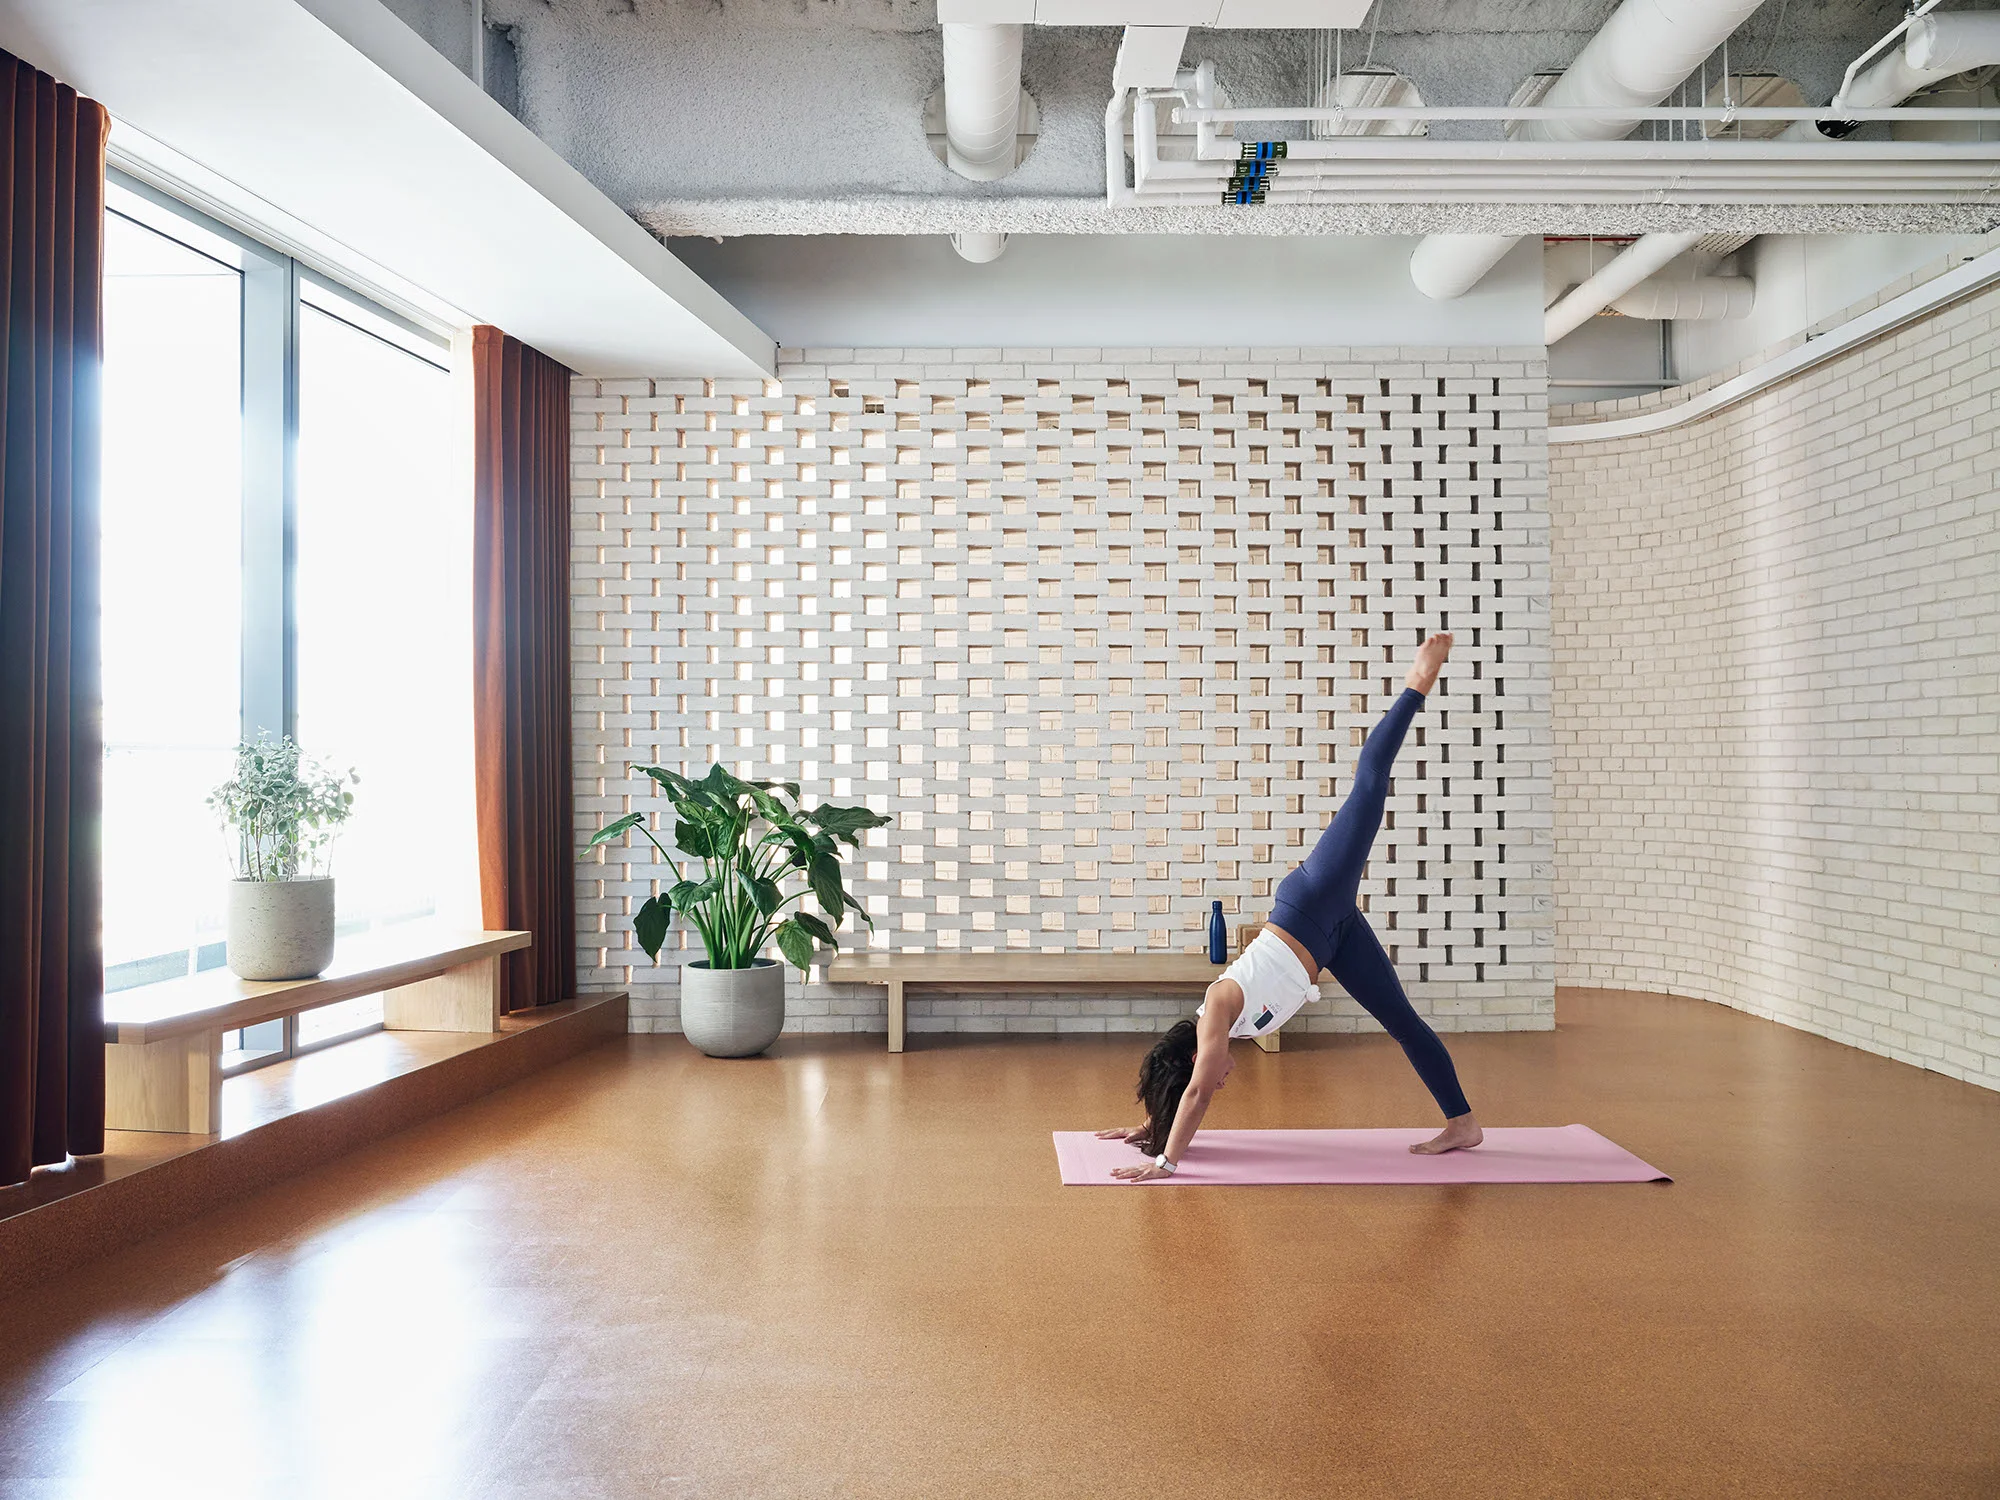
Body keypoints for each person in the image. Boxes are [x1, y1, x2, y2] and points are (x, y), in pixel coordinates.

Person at [1098, 632, 1481, 1181]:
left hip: (1311, 902)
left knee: (1369, 785)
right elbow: (1191, 1092)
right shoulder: (1226, 1034)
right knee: (1402, 1023)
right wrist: (1150, 1126)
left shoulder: (1215, 1012)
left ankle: (1419, 679)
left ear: (1192, 1061)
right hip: (1334, 938)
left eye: (1205, 1075)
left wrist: (1166, 1160)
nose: (1224, 1079)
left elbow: (1200, 1092)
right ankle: (1463, 1123)